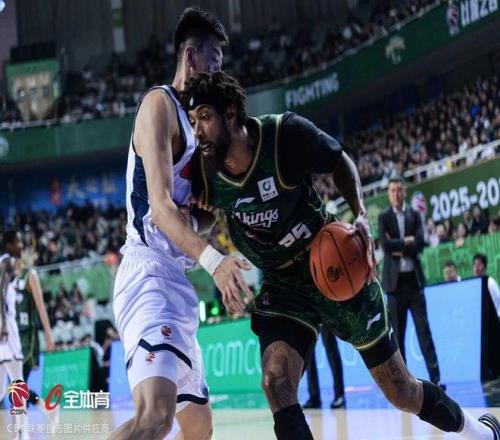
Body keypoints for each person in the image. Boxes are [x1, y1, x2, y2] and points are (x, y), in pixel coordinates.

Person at [182, 71, 500, 440]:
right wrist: (202, 221)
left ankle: (481, 432)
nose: (197, 131)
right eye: (192, 121)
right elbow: (200, 215)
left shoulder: (284, 135)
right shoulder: (201, 168)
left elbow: (339, 161)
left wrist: (361, 213)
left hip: (332, 262)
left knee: (401, 391)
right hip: (283, 284)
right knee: (275, 380)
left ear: (231, 112)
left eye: (204, 117)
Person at [110, 10, 253, 440]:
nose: (218, 71)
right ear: (190, 57)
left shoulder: (199, 125)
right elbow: (160, 209)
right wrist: (215, 262)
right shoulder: (159, 106)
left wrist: (209, 211)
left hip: (176, 279)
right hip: (148, 274)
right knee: (155, 417)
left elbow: (197, 215)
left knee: (199, 427)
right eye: (214, 61)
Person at [379, 177, 443, 389]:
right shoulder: (384, 217)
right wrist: (405, 242)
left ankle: (436, 379)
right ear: (388, 193)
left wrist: (399, 245)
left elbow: (419, 244)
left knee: (424, 331)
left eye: (399, 190)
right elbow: (386, 246)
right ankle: (403, 384)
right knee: (398, 336)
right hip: (394, 286)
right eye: (392, 190)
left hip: (413, 282)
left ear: (405, 192)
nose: (396, 194)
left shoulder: (414, 215)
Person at [6, 233, 58, 427]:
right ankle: (43, 409)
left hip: (27, 337)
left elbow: (41, 309)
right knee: (16, 385)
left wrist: (49, 335)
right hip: (11, 336)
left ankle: (22, 428)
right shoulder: (6, 277)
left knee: (17, 384)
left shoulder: (31, 275)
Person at [0, 234, 29, 439]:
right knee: (18, 381)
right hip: (6, 326)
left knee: (1, 389)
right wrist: (3, 324)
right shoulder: (9, 261)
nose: (21, 245)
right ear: (9, 244)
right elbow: (0, 293)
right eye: (17, 241)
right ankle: (22, 433)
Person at [302, 326, 345, 409]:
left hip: (325, 318)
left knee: (331, 348)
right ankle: (314, 397)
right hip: (309, 318)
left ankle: (339, 395)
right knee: (309, 351)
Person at [473, 253, 500, 319]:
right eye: (475, 265)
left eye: (479, 264)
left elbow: (497, 304)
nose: (476, 268)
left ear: (485, 267)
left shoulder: (490, 283)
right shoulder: (474, 284)